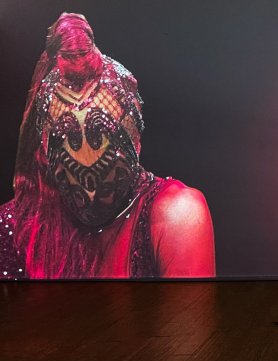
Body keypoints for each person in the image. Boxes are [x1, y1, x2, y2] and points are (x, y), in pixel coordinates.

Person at [0, 13, 215, 279]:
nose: (90, 193)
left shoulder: (177, 213)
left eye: (107, 159)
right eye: (69, 145)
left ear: (136, 142)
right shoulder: (17, 228)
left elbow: (188, 320)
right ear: (44, 148)